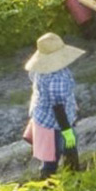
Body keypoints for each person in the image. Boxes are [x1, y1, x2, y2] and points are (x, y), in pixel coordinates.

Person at [23, 32, 83, 178]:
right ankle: (50, 187)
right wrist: (67, 130)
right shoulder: (58, 79)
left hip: (42, 117)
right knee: (54, 157)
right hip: (54, 123)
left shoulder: (39, 70)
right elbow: (58, 108)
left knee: (58, 153)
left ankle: (72, 178)